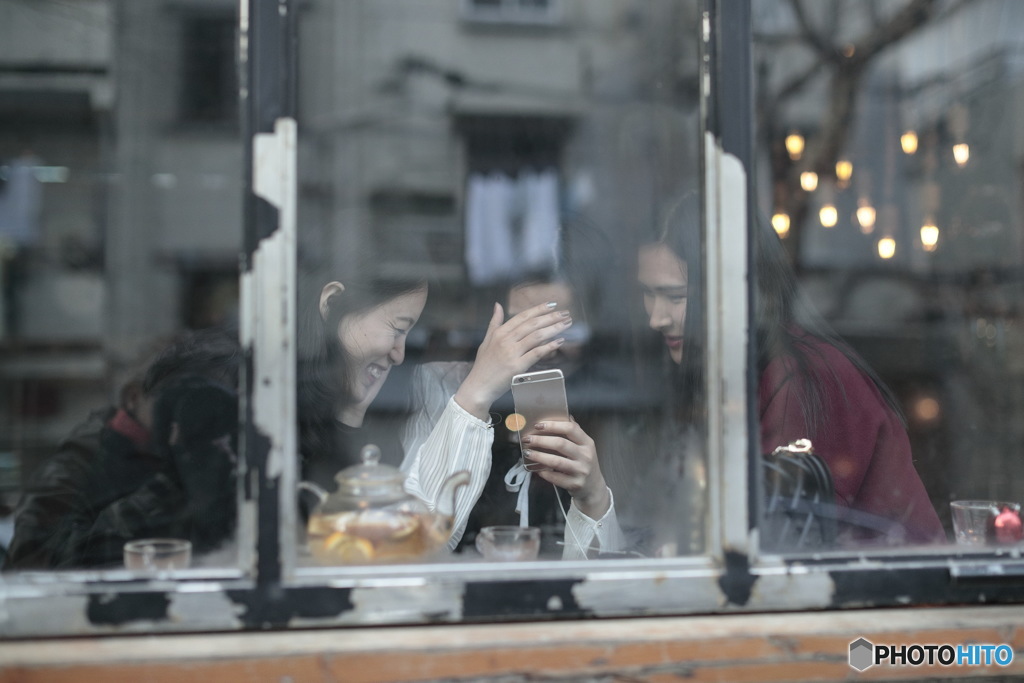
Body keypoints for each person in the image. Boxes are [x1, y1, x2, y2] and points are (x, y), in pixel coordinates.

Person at [530, 192, 946, 553]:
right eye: (647, 295)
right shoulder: (726, 371)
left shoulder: (802, 378)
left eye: (674, 297)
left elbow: (781, 538)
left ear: (728, 290)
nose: (656, 318)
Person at [297, 268, 572, 551]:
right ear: (330, 302)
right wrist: (475, 395)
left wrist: (595, 498)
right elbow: (413, 546)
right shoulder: (280, 416)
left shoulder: (412, 396)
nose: (401, 354)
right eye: (398, 328)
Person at [4, 328, 241, 570]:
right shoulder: (78, 468)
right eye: (180, 403)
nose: (193, 421)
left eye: (211, 409)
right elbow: (33, 575)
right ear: (133, 397)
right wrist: (170, 488)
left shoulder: (215, 461)